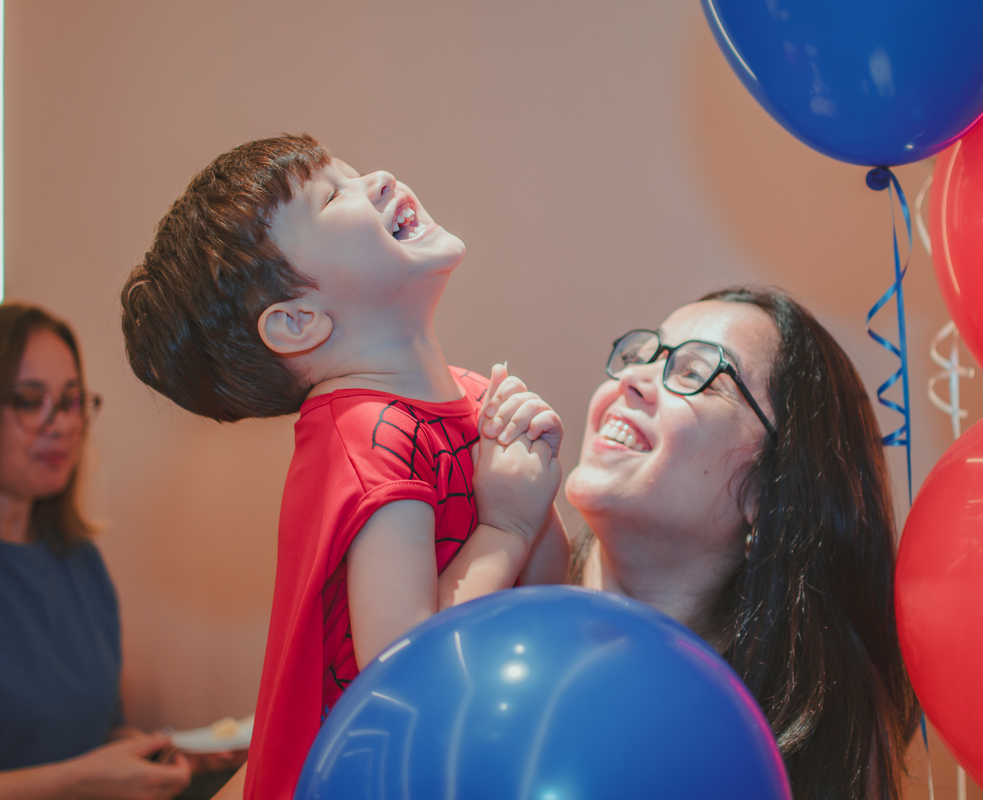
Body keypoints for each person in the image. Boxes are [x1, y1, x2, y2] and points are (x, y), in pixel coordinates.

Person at [120, 134, 568, 800]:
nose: (380, 178)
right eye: (334, 196)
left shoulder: (467, 392)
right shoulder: (362, 437)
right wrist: (505, 525)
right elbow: (403, 673)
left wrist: (531, 486)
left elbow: (538, 597)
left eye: (354, 173)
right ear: (300, 321)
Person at [557, 287, 920, 800]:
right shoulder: (495, 577)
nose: (632, 379)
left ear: (768, 491)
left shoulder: (795, 749)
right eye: (640, 355)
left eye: (696, 373)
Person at [0, 303, 192, 800]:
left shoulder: (79, 561)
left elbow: (92, 732)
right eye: (29, 400)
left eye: (70, 401)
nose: (62, 424)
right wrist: (82, 780)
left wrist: (147, 753)